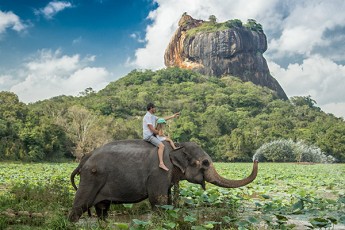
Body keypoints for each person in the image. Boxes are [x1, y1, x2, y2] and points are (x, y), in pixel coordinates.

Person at [143, 103, 180, 171]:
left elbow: (161, 119)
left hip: (153, 134)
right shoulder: (147, 117)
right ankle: (161, 163)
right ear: (151, 108)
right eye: (154, 108)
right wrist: (160, 134)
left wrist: (172, 116)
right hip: (149, 136)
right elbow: (151, 129)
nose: (155, 109)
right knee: (161, 146)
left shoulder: (152, 116)